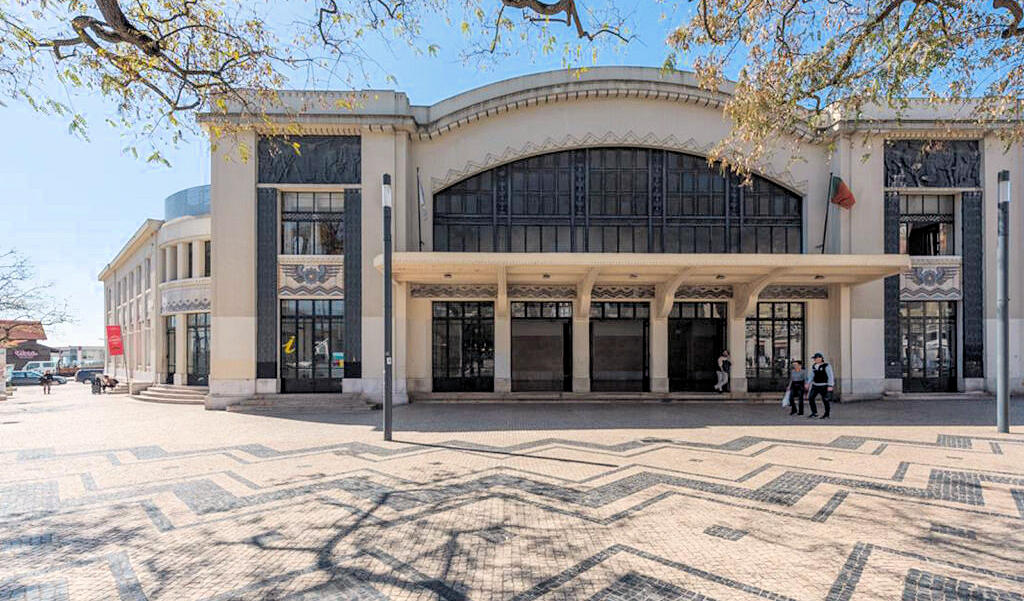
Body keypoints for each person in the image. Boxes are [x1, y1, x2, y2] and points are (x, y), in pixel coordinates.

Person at [805, 352, 834, 419]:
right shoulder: (814, 366)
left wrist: (830, 385)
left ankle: (827, 414)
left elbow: (830, 376)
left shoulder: (826, 366)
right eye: (814, 359)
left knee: (825, 400)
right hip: (815, 385)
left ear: (821, 358)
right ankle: (814, 412)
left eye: (816, 358)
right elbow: (811, 375)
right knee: (811, 398)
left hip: (824, 385)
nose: (815, 360)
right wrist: (808, 383)